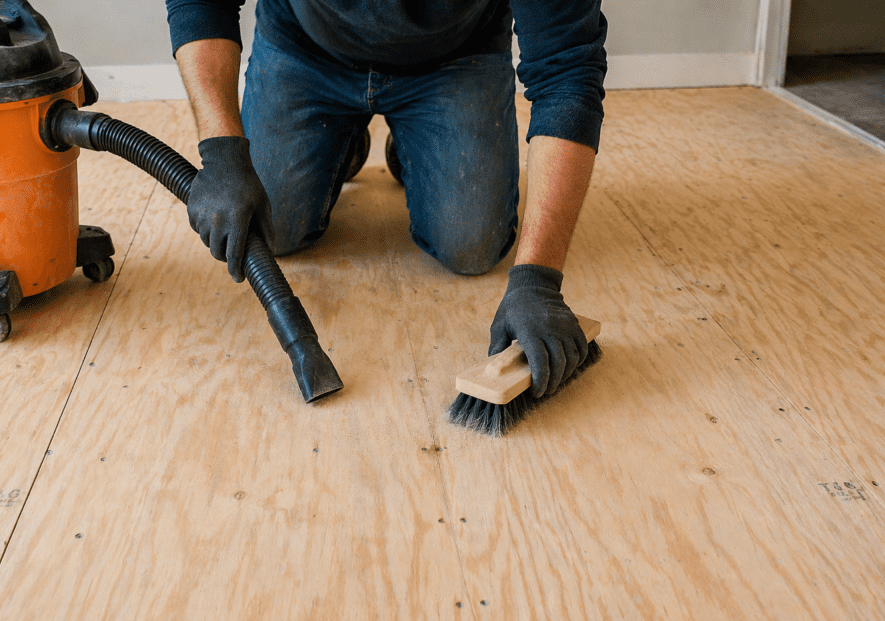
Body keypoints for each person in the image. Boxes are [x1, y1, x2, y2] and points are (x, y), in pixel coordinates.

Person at [165, 0, 607, 398]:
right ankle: (339, 143)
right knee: (269, 227)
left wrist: (539, 280)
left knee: (471, 245)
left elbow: (567, 71)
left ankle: (412, 146)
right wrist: (222, 153)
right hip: (304, 46)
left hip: (455, 57)